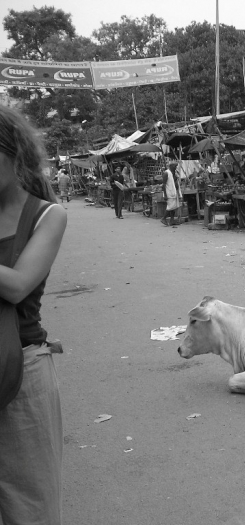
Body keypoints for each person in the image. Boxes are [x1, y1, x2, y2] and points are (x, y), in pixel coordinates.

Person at [0, 105, 68, 524]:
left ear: (14, 153)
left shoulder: (48, 215)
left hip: (20, 369)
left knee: (31, 506)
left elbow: (18, 284)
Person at [161, 162, 181, 227]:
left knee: (173, 207)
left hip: (173, 193)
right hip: (169, 193)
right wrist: (165, 195)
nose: (175, 168)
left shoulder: (172, 173)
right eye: (175, 166)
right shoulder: (166, 173)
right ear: (171, 166)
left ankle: (172, 220)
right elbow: (163, 185)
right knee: (170, 207)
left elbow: (174, 182)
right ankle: (163, 218)